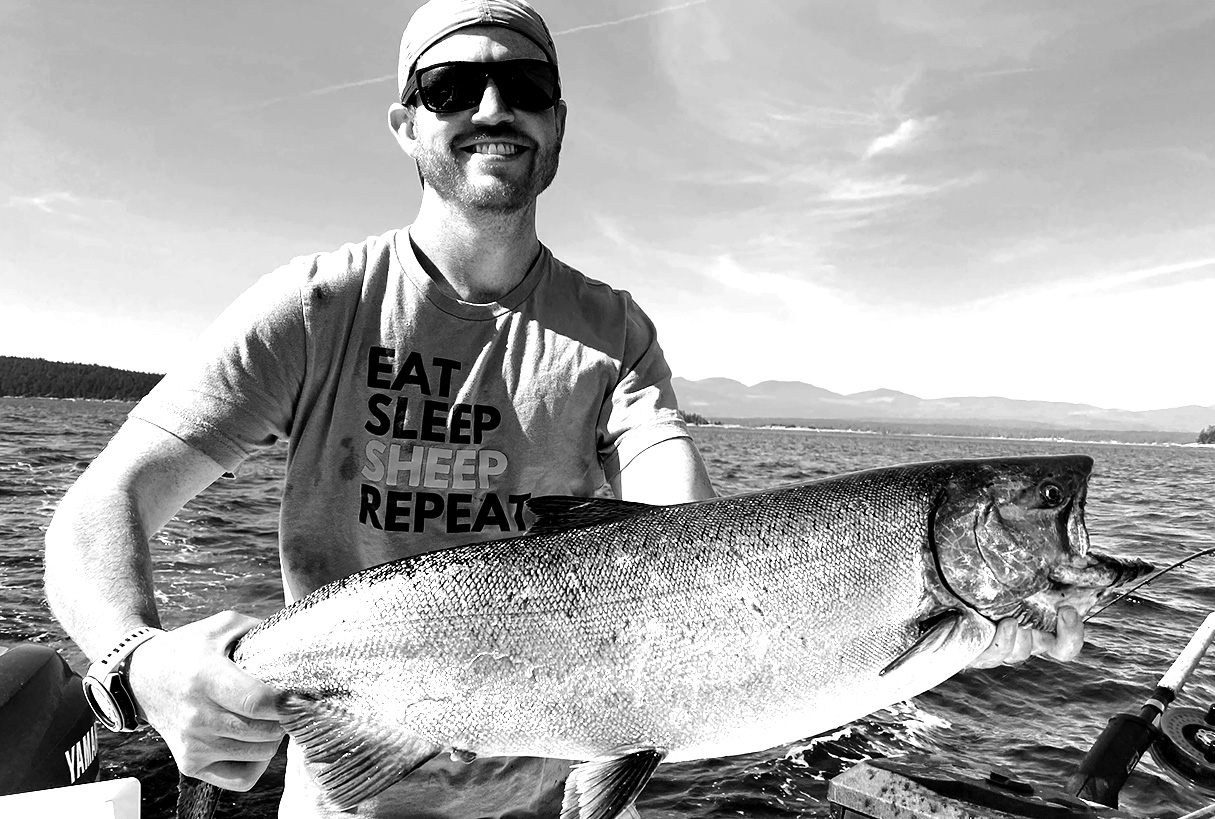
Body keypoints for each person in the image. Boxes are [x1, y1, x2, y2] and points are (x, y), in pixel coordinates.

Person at [43, 0, 1085, 816]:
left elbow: (692, 536)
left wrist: (962, 630)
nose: (492, 109)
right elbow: (105, 505)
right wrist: (136, 665)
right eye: (454, 86)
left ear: (557, 121)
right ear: (406, 122)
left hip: (554, 794)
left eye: (523, 85)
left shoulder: (615, 331)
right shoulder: (316, 307)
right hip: (352, 792)